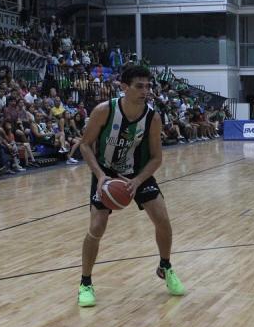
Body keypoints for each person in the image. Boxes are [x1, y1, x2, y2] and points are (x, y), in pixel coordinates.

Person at [77, 64, 185, 307]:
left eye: (148, 86)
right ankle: (85, 283)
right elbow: (85, 145)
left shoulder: (152, 117)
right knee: (96, 227)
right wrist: (100, 176)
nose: (145, 91)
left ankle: (165, 266)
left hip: (137, 173)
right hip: (105, 172)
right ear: (124, 87)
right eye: (139, 86)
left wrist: (137, 181)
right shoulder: (104, 111)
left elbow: (156, 158)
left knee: (162, 219)